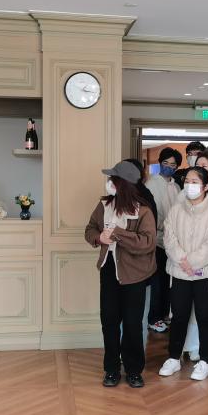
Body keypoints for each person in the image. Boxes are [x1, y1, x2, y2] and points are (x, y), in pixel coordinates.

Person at [85, 161, 156, 388]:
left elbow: (147, 243)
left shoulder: (143, 211)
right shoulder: (104, 205)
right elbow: (90, 229)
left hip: (135, 275)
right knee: (109, 321)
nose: (108, 183)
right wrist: (99, 238)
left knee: (133, 324)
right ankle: (112, 369)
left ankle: (134, 371)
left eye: (112, 179)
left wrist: (117, 234)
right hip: (109, 271)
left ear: (123, 184)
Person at [159, 167, 208, 381]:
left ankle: (204, 361)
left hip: (205, 273)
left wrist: (192, 263)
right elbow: (169, 238)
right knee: (178, 316)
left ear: (205, 186)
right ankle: (173, 358)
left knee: (206, 316)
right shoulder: (176, 210)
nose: (190, 185)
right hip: (179, 273)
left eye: (195, 182)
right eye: (187, 181)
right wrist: (183, 261)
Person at [145, 148, 182, 333]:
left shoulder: (176, 186)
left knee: (169, 280)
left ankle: (164, 314)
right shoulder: (152, 184)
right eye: (165, 163)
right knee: (157, 281)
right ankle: (154, 317)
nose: (168, 167)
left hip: (174, 240)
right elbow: (153, 213)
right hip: (158, 238)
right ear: (159, 163)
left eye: (173, 164)